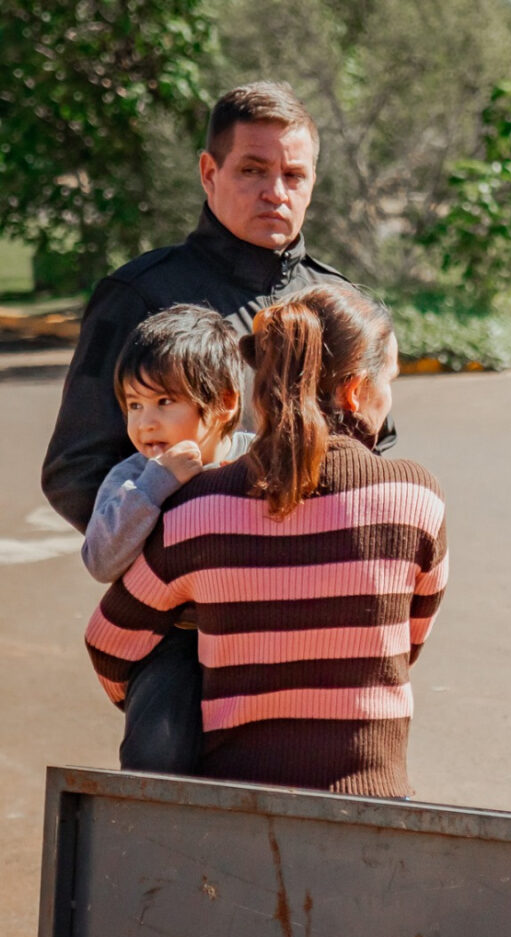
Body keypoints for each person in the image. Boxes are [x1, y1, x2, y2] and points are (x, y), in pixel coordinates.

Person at [85, 284, 448, 796]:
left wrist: (201, 692)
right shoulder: (418, 499)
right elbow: (406, 643)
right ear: (354, 391)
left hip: (235, 796)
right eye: (389, 381)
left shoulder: (200, 509)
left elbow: (109, 642)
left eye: (163, 402)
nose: (147, 421)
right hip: (372, 796)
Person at [43, 79, 393, 536]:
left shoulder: (343, 304)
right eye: (253, 170)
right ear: (209, 173)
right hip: (194, 599)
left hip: (324, 588)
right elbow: (77, 468)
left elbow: (375, 449)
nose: (276, 192)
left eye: (294, 175)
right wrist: (183, 561)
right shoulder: (137, 294)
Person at [81, 304, 251, 773]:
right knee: (156, 753)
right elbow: (101, 560)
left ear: (225, 402)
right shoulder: (132, 476)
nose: (145, 423)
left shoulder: (257, 460)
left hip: (253, 630)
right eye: (134, 405)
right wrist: (155, 485)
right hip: (174, 641)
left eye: (163, 402)